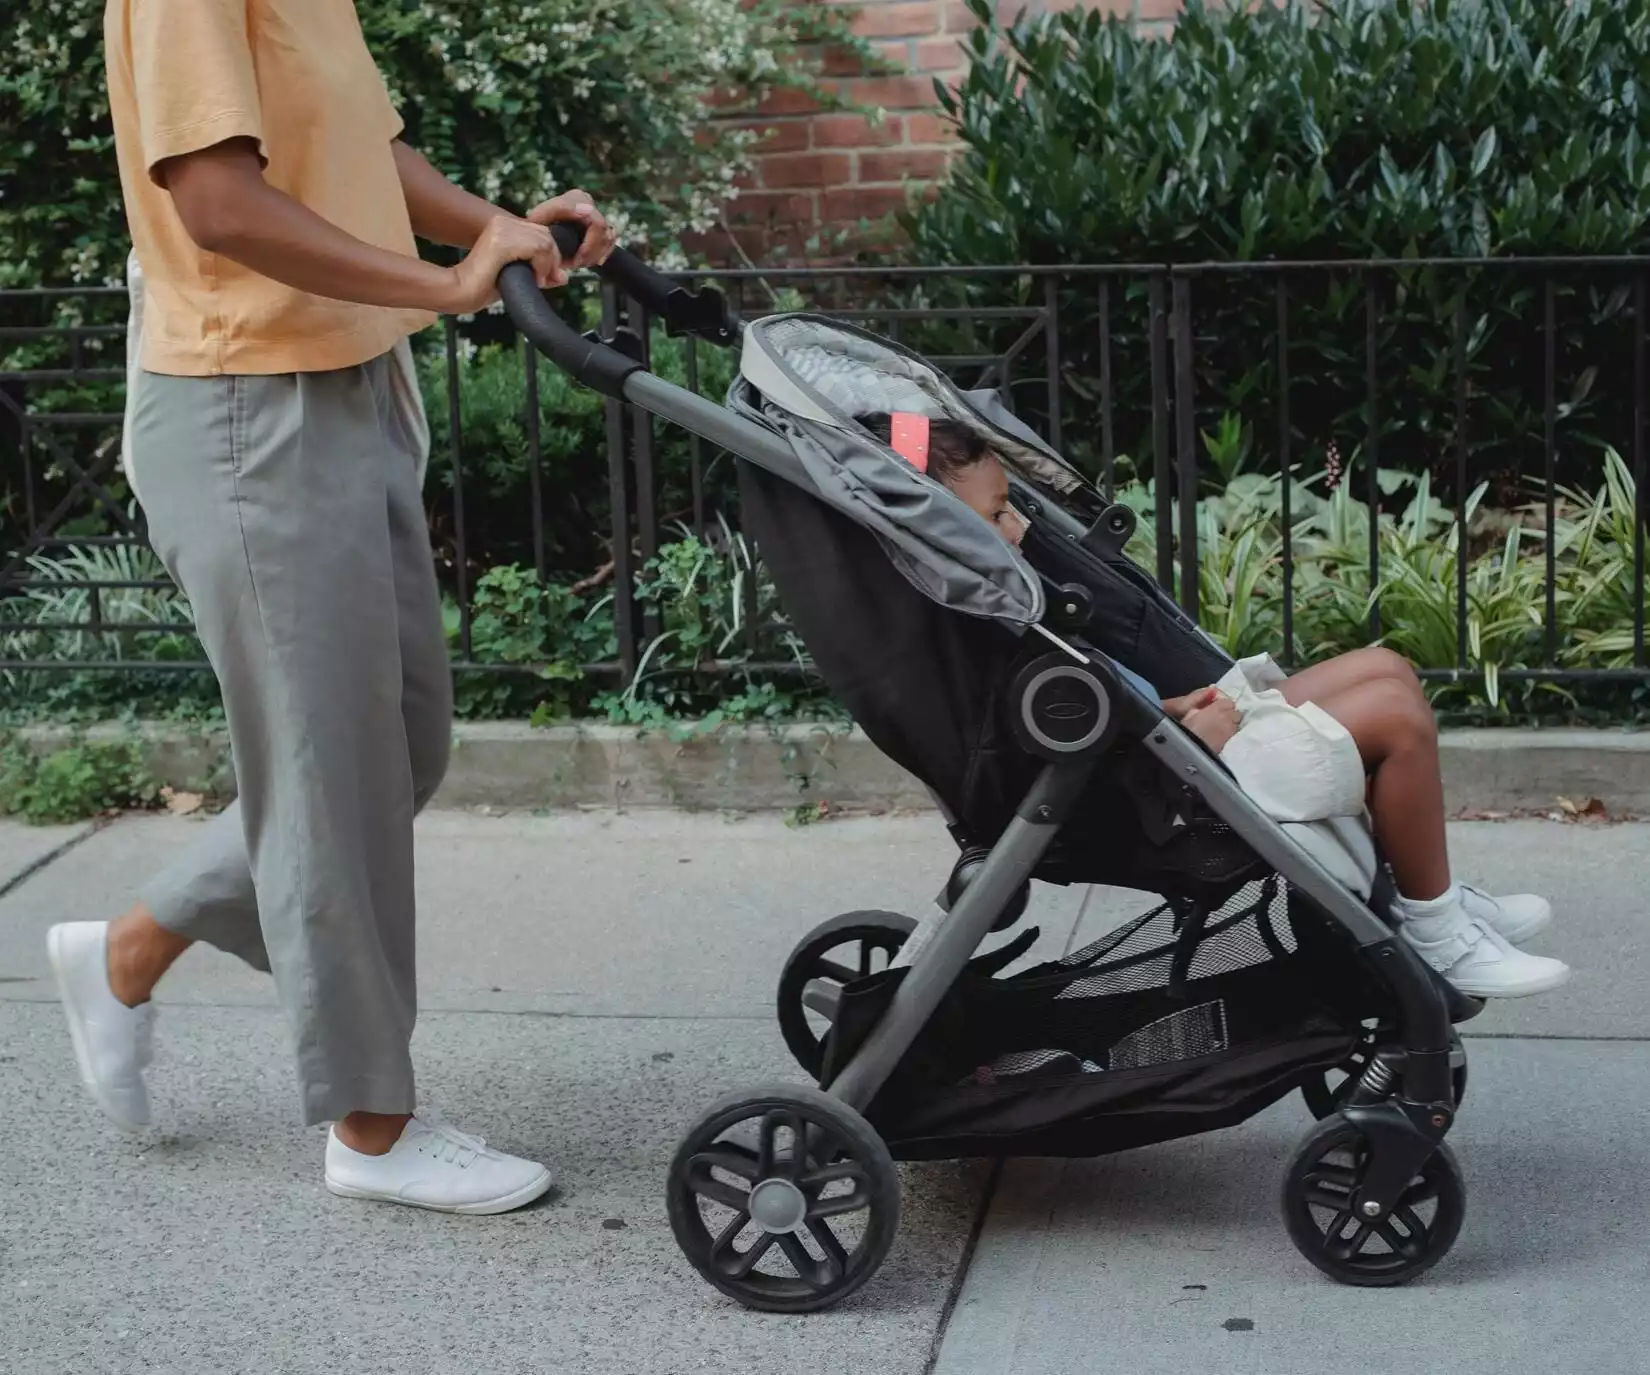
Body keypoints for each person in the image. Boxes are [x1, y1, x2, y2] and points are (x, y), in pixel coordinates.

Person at [47, 0, 619, 1216]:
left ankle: (127, 953)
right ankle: (372, 1125)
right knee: (326, 771)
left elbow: (366, 160)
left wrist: (495, 231)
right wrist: (445, 283)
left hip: (351, 385)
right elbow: (218, 199)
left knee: (395, 749)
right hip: (249, 409)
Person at [857, 412, 1573, 1000]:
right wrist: (1185, 730)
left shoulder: (989, 590)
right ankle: (1436, 931)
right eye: (997, 512)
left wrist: (1167, 706)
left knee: (1390, 667)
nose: (1017, 526)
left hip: (1175, 735)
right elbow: (1061, 718)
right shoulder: (981, 607)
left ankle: (1429, 894)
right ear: (940, 527)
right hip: (1172, 782)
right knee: (1398, 721)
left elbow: (1098, 683)